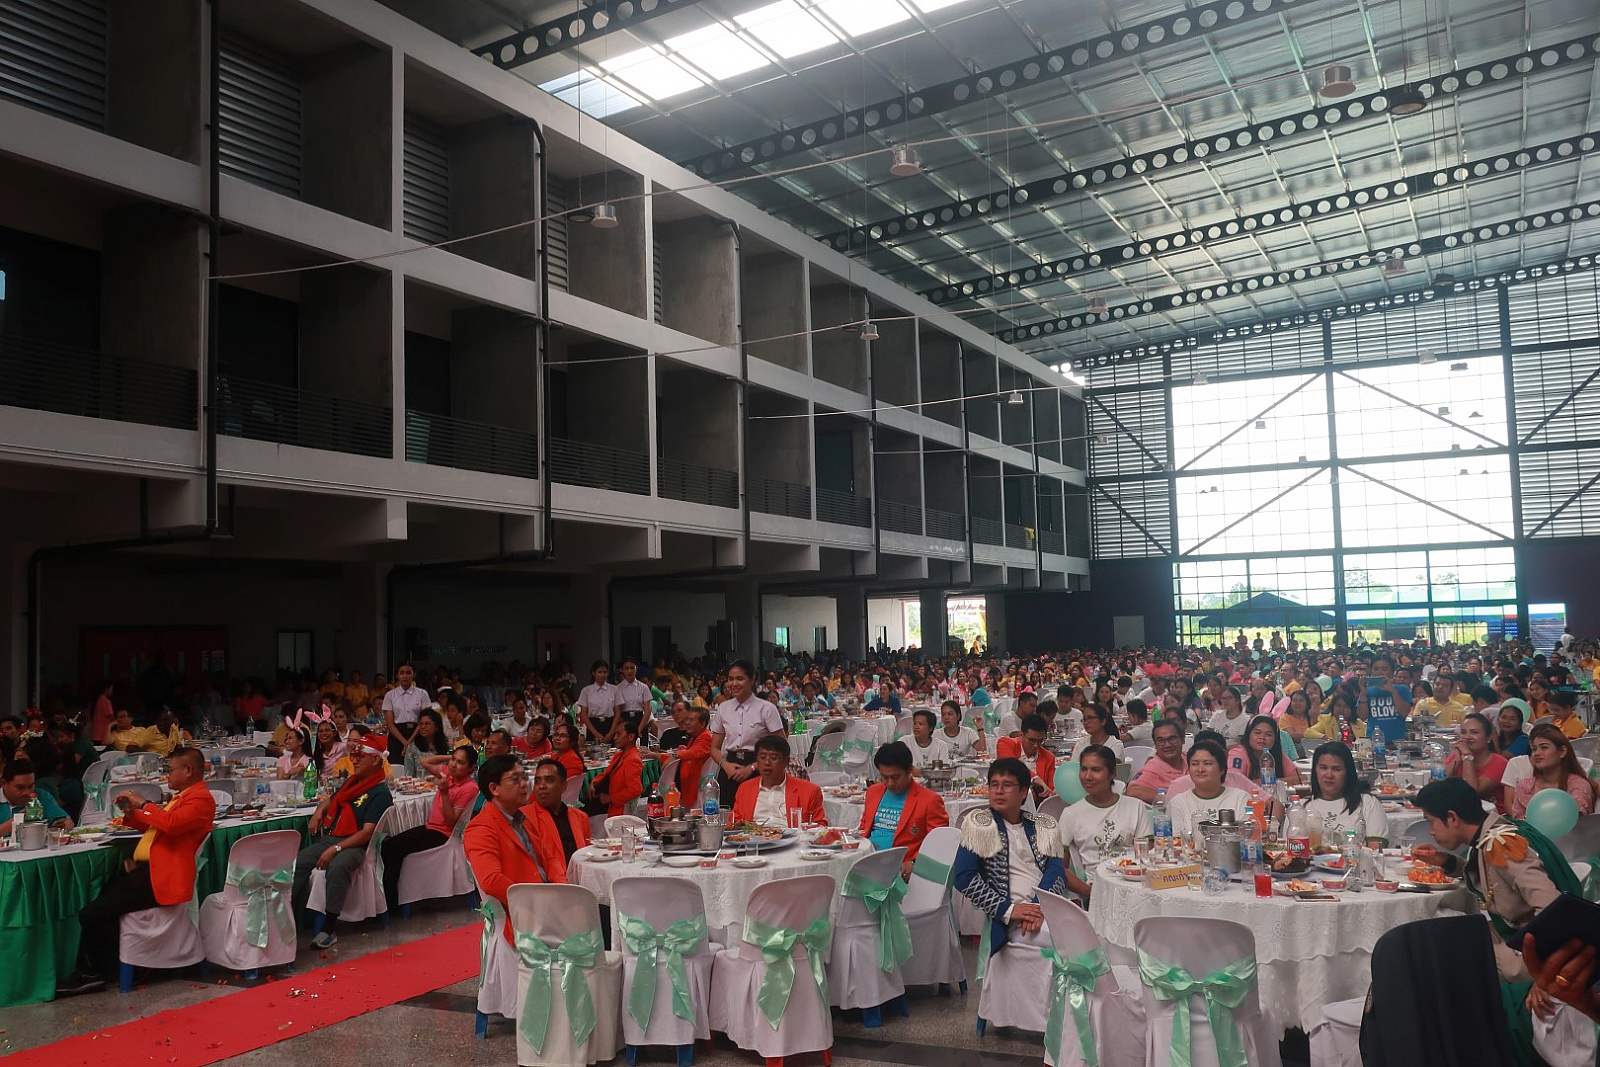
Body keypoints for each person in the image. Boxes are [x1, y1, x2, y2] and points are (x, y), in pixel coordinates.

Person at [57, 747, 214, 995]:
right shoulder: (182, 797)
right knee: (101, 899)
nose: (167, 774)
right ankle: (110, 967)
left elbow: (171, 825)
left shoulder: (201, 799)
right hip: (146, 873)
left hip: (161, 877)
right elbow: (157, 828)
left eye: (170, 769)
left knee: (92, 913)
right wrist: (131, 813)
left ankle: (95, 972)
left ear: (188, 770)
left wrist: (146, 803)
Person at [1412, 777, 1577, 988]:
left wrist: (1544, 974)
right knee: (1444, 932)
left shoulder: (1502, 845)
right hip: (1519, 937)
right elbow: (1492, 875)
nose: (1431, 832)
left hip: (1534, 954)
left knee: (1442, 953)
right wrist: (1446, 861)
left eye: (1430, 821)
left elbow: (1554, 908)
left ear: (1452, 817)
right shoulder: (1496, 831)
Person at [953, 757, 1067, 963]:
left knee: (1085, 933)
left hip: (1045, 908)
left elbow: (1056, 871)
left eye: (1007, 785)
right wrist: (1008, 910)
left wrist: (1039, 908)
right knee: (1068, 943)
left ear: (1024, 792)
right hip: (1008, 917)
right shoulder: (980, 825)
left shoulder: (1043, 825)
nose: (998, 791)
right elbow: (963, 877)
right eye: (994, 784)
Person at [292, 733, 394, 948]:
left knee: (338, 865)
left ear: (375, 760)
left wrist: (336, 849)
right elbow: (330, 801)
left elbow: (367, 833)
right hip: (334, 837)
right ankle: (286, 918)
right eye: (353, 755)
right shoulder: (352, 782)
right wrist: (318, 812)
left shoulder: (380, 792)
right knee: (298, 862)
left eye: (360, 757)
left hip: (357, 845)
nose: (354, 760)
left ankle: (329, 928)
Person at [464, 755, 568, 945]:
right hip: (525, 916)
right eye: (515, 779)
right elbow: (491, 880)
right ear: (494, 789)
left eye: (524, 777)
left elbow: (550, 858)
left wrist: (561, 890)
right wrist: (537, 903)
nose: (524, 784)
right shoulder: (481, 828)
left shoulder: (522, 819)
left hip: (550, 902)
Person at [1059, 744, 1152, 901]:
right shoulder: (1071, 814)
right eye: (1084, 769)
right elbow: (1059, 868)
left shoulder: (1135, 807)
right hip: (1098, 890)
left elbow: (1146, 857)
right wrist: (1091, 892)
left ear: (1112, 773)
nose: (1088, 776)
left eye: (1096, 770)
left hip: (1135, 887)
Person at [857, 741, 949, 877]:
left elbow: (939, 843)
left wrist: (914, 862)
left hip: (901, 869)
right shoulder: (873, 792)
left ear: (909, 770)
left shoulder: (929, 800)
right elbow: (863, 828)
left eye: (895, 777)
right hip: (866, 861)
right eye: (884, 777)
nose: (890, 783)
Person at [709, 658, 784, 800]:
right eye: (731, 679)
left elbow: (782, 745)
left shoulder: (766, 708)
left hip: (760, 767)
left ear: (752, 679)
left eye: (740, 679)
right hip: (730, 768)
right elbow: (714, 748)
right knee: (728, 810)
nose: (734, 684)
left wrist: (752, 767)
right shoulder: (723, 708)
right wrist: (726, 765)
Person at [1167, 737, 1251, 841]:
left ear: (1222, 769)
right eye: (1194, 764)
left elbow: (1246, 838)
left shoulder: (1241, 798)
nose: (1200, 769)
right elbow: (1177, 842)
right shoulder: (1178, 803)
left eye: (1207, 764)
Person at [730, 733, 825, 826]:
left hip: (792, 836)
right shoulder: (745, 789)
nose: (767, 763)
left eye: (773, 758)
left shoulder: (809, 790)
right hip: (753, 835)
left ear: (786, 761)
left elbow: (820, 826)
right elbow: (734, 822)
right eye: (762, 757)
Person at [1305, 741, 1389, 843]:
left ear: (1348, 772)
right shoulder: (1302, 806)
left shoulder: (1368, 803)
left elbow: (1376, 848)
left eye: (1336, 769)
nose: (1329, 775)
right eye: (1323, 768)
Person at [1511, 723, 1594, 820]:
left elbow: (1572, 819)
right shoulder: (1524, 787)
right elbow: (1519, 823)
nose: (1537, 753)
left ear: (1562, 751)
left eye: (1544, 747)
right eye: (1534, 749)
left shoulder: (1578, 785)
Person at [527, 757, 591, 862]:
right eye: (537, 781)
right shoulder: (525, 819)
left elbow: (588, 855)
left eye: (549, 780)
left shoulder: (580, 817)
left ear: (563, 786)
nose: (541, 786)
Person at [1449, 712, 1511, 811]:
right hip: (1461, 812)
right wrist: (1456, 761)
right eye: (1463, 732)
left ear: (1489, 737)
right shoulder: (1457, 756)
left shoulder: (1500, 763)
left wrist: (1468, 756)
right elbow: (1439, 784)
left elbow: (1472, 792)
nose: (1467, 737)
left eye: (1474, 732)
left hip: (1492, 816)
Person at [584, 717, 644, 817]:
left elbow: (636, 789)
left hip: (621, 811)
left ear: (631, 737)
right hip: (611, 806)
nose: (615, 738)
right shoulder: (619, 755)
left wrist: (610, 798)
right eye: (615, 734)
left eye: (619, 734)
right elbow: (605, 773)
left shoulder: (632, 759)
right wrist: (594, 783)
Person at [0, 757, 73, 833]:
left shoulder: (41, 796)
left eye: (31, 786)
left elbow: (64, 820)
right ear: (4, 784)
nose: (27, 792)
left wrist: (63, 824)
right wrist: (16, 821)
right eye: (20, 787)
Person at [1228, 714, 1302, 786]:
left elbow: (1301, 779)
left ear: (1275, 739)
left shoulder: (1276, 754)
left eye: (1268, 735)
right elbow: (1234, 781)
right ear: (1248, 735)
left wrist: (1267, 782)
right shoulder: (1238, 754)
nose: (1262, 737)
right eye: (1257, 733)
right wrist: (1268, 783)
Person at [995, 713, 1057, 799]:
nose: (1036, 745)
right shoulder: (1005, 743)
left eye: (1040, 741)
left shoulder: (1049, 757)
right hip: (1007, 798)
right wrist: (1035, 778)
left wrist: (1051, 792)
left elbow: (1052, 789)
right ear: (1021, 735)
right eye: (1032, 740)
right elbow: (1011, 765)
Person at [1126, 719, 1188, 803]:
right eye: (1161, 741)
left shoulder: (1189, 758)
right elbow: (1132, 791)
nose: (1167, 745)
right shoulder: (1153, 769)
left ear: (1182, 739)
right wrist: (1171, 799)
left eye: (1172, 739)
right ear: (1155, 744)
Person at [381, 664, 431, 761]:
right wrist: (405, 743)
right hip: (397, 735)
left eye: (408, 673)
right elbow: (389, 724)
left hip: (418, 732)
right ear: (397, 675)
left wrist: (409, 742)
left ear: (414, 675)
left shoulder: (422, 694)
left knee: (419, 764)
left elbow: (425, 719)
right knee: (396, 765)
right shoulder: (390, 695)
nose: (405, 676)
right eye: (402, 673)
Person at [669, 702, 714, 808]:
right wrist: (655, 755)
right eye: (687, 719)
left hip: (698, 788)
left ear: (702, 723)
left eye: (691, 720)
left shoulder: (706, 737)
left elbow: (694, 752)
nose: (687, 723)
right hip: (688, 785)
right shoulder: (694, 738)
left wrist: (675, 754)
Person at [1365, 653, 1414, 744]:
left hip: (1398, 741)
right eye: (1375, 669)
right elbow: (1362, 716)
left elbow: (1404, 713)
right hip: (1374, 741)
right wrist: (1362, 693)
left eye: (1384, 669)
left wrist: (1393, 691)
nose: (1379, 672)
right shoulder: (1368, 691)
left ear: (1392, 672)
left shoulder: (1402, 689)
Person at [609, 657, 653, 743]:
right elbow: (616, 711)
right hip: (624, 720)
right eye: (626, 668)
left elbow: (647, 711)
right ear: (622, 670)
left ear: (636, 669)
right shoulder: (617, 689)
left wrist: (639, 730)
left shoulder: (644, 687)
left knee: (641, 748)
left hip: (640, 719)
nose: (629, 671)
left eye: (632, 668)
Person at [576, 660, 618, 744]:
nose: (602, 675)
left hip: (610, 724)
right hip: (593, 724)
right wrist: (595, 733)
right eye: (599, 672)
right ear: (593, 673)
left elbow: (618, 712)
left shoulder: (614, 689)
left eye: (605, 672)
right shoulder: (586, 691)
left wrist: (611, 733)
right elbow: (583, 714)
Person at [402, 708, 452, 777]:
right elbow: (408, 775)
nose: (423, 727)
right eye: (421, 724)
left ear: (437, 727)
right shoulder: (412, 748)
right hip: (420, 783)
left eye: (427, 724)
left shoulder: (448, 747)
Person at [550, 716, 587, 782]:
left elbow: (560, 783)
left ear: (572, 742)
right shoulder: (555, 756)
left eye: (562, 736)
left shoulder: (572, 759)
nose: (557, 738)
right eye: (556, 734)